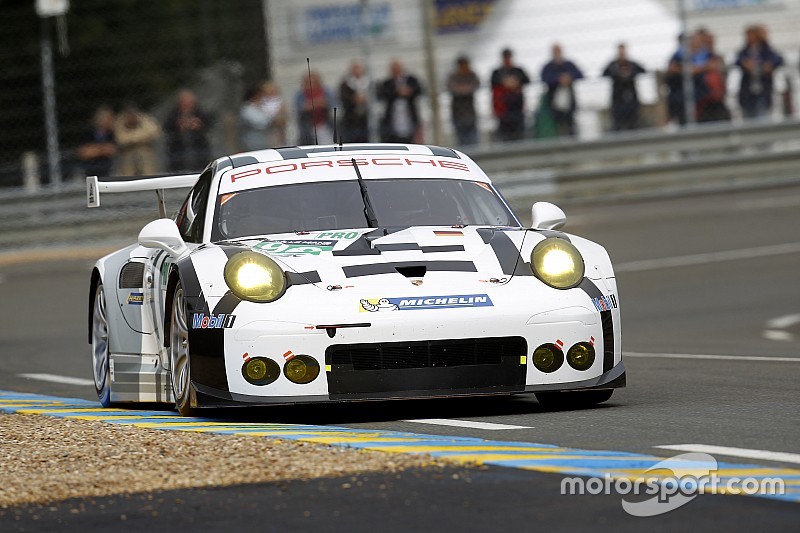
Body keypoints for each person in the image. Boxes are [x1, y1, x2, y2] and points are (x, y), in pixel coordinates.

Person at [736, 24, 784, 119]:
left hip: (763, 90)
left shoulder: (765, 50)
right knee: (748, 117)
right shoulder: (745, 51)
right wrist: (745, 64)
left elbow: (778, 59)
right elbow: (738, 60)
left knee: (762, 116)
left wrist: (767, 66)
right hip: (748, 93)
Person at [164, 90, 213, 172]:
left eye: (190, 102)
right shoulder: (173, 114)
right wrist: (178, 126)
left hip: (199, 146)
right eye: (184, 103)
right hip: (178, 148)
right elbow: (166, 127)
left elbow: (210, 124)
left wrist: (199, 125)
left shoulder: (200, 113)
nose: (187, 105)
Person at [541, 44, 584, 137]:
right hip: (554, 103)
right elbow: (544, 78)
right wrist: (558, 79)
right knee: (556, 126)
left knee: (570, 126)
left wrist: (569, 78)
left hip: (569, 103)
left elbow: (580, 75)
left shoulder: (569, 65)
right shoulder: (548, 67)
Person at [602, 43, 646, 131]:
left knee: (633, 124)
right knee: (617, 126)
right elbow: (604, 74)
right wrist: (617, 75)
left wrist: (630, 74)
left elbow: (643, 71)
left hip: (632, 100)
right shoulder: (612, 65)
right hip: (617, 100)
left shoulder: (632, 64)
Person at [377, 60, 423, 143]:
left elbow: (418, 91)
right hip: (393, 120)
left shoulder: (411, 80)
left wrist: (409, 91)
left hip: (409, 117)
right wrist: (397, 92)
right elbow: (383, 94)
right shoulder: (387, 83)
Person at [490, 48, 530, 141]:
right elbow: (493, 84)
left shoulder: (518, 70)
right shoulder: (497, 72)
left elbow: (527, 80)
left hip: (518, 108)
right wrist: (505, 84)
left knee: (519, 135)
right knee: (504, 136)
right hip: (503, 109)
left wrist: (516, 82)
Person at [114, 103, 161, 176]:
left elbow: (155, 132)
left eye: (133, 114)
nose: (131, 117)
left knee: (148, 169)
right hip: (127, 154)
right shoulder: (120, 122)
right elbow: (121, 139)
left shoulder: (145, 119)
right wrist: (142, 138)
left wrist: (132, 137)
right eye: (129, 115)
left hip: (145, 153)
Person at [239, 81, 287, 151]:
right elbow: (261, 123)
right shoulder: (248, 109)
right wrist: (276, 117)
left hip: (269, 144)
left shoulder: (263, 107)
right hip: (254, 145)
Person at [446, 55, 480, 146]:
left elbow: (474, 86)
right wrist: (464, 89)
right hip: (458, 113)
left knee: (473, 141)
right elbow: (453, 88)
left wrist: (462, 89)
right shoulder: (453, 76)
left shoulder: (472, 75)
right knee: (462, 141)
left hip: (470, 113)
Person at [295, 71, 334, 145]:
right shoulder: (300, 95)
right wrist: (317, 103)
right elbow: (301, 108)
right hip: (308, 128)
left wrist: (312, 104)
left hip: (324, 126)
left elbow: (330, 104)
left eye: (314, 82)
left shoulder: (326, 91)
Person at [77, 106, 117, 177]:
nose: (112, 121)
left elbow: (111, 150)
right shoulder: (88, 133)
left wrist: (95, 149)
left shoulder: (111, 134)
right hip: (90, 168)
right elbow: (84, 153)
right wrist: (102, 149)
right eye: (109, 118)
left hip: (106, 168)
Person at [339, 62, 370, 143]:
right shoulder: (346, 84)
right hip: (351, 117)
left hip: (365, 117)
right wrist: (354, 99)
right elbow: (344, 97)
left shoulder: (367, 82)